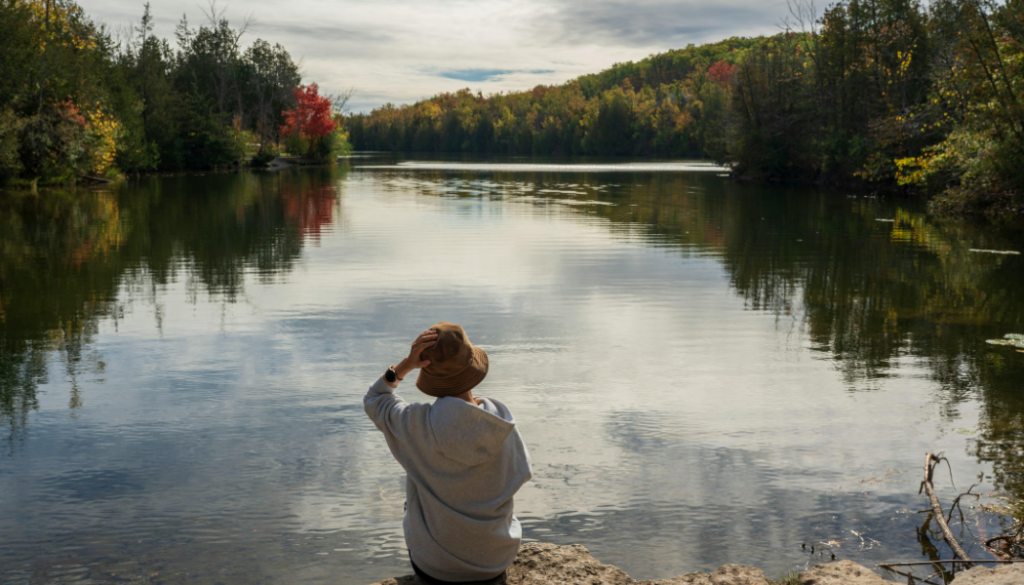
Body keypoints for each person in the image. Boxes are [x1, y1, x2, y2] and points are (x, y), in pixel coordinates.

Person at [364, 322, 532, 584]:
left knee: (414, 500)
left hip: (436, 567)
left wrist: (406, 365)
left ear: (427, 370)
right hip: (495, 561)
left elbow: (375, 399)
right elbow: (521, 474)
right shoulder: (501, 421)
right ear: (472, 365)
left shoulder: (414, 424)